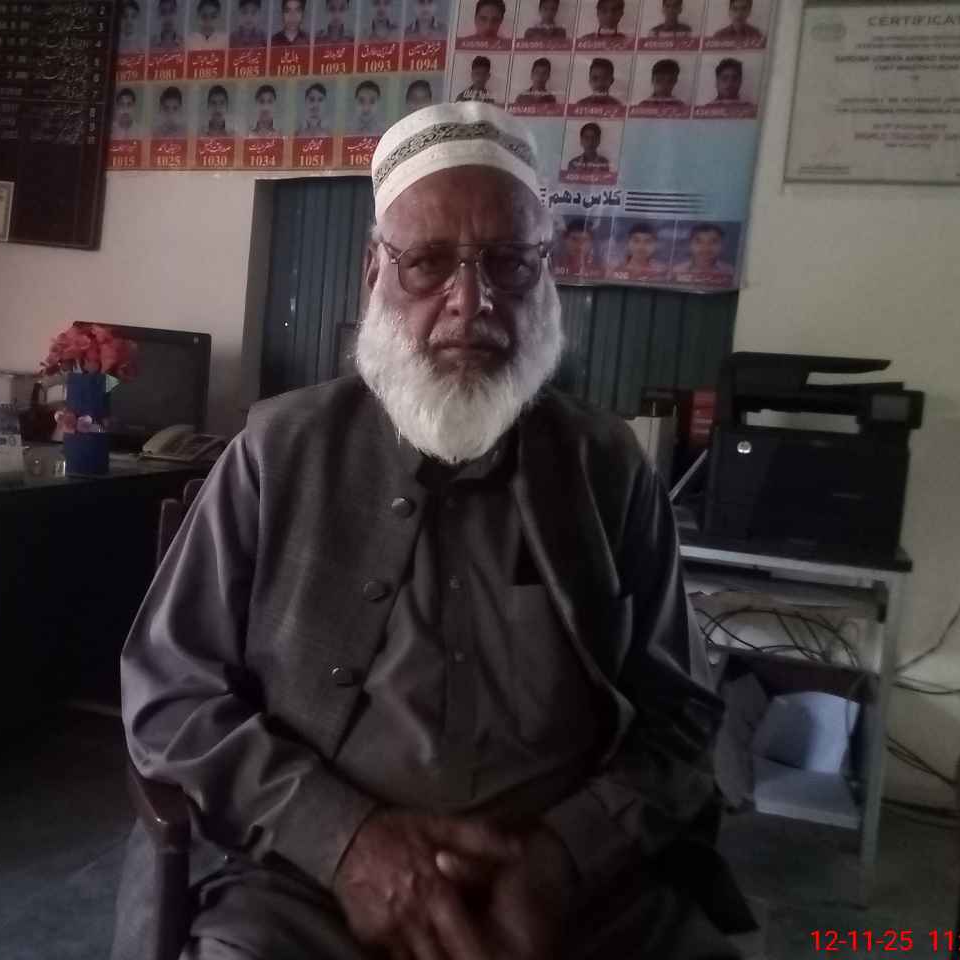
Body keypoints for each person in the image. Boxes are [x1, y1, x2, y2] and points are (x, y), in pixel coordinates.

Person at [112, 99, 751, 960]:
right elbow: (170, 696)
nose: (471, 303)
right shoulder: (278, 452)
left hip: (572, 891)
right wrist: (343, 841)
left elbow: (682, 717)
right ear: (374, 269)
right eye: (428, 263)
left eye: (508, 264)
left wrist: (566, 854)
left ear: (545, 275)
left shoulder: (605, 465)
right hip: (303, 886)